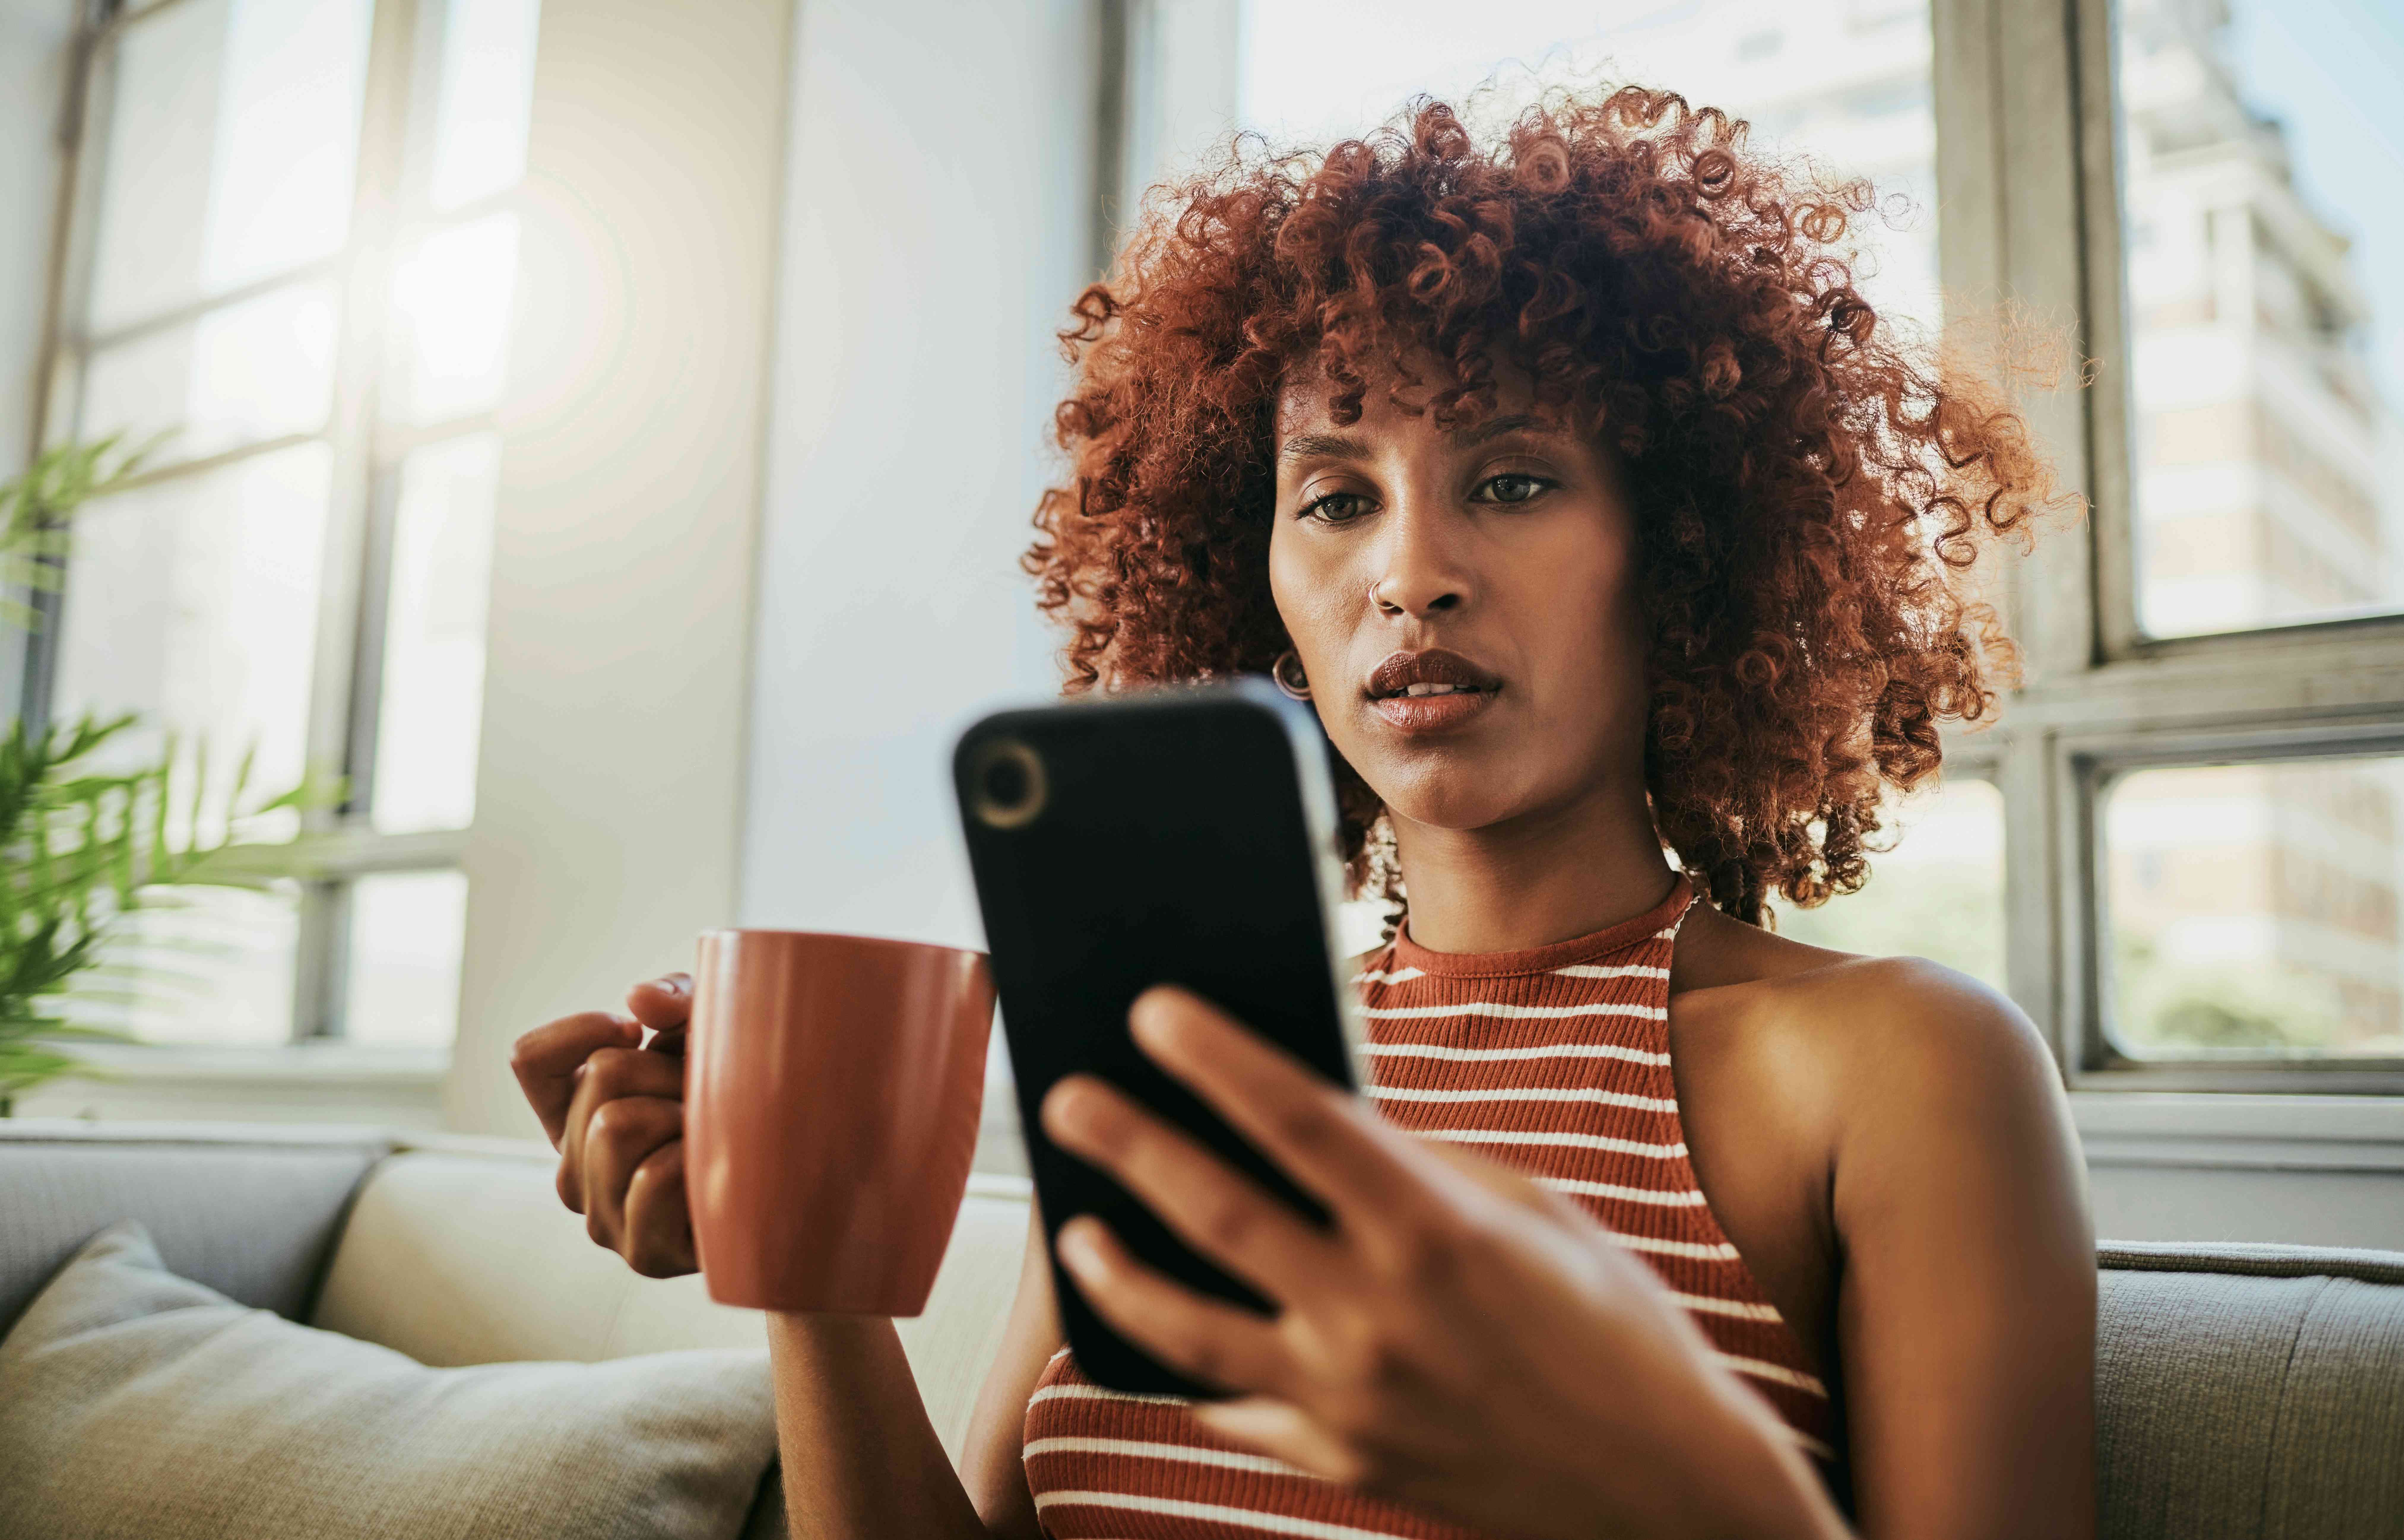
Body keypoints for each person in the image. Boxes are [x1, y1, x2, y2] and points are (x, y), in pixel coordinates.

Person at [511, 86, 2094, 1540]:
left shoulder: (1899, 1072)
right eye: (1335, 496)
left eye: (1515, 479)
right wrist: (814, 1278)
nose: (1409, 573)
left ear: (1679, 553)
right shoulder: (1184, 1049)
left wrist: (1664, 1464)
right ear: (1252, 579)